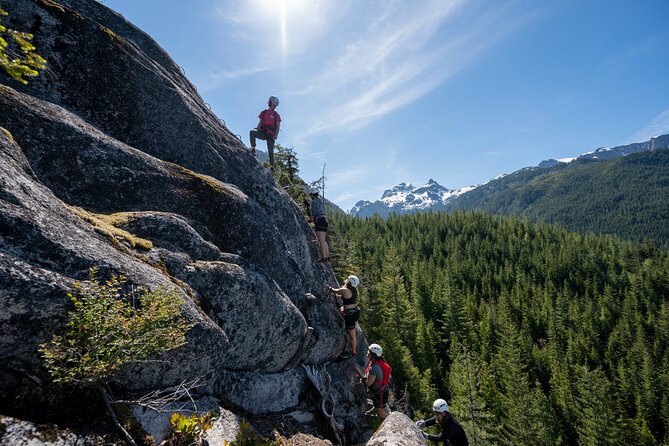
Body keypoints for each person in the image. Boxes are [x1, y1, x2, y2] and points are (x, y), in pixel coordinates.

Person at [328, 275, 360, 355]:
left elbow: (334, 291)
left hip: (350, 314)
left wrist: (328, 287)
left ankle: (354, 352)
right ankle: (353, 349)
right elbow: (345, 297)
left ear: (348, 282)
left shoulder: (344, 290)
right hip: (355, 312)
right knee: (351, 332)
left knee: (352, 334)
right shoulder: (354, 290)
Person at [249, 96, 281, 168]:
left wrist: (276, 135)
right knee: (252, 132)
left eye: (275, 105)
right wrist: (257, 129)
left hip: (271, 135)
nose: (274, 106)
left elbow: (278, 126)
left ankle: (272, 167)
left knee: (270, 151)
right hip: (263, 132)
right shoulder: (263, 113)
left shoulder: (276, 115)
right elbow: (260, 122)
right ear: (270, 103)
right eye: (273, 104)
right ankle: (253, 149)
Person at [362, 343, 391, 420]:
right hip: (381, 391)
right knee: (379, 407)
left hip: (379, 394)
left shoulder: (374, 367)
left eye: (369, 351)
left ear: (373, 354)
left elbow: (368, 383)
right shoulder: (376, 363)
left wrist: (363, 378)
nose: (367, 352)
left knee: (380, 410)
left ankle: (389, 421)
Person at [308, 186, 329, 261]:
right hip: (324, 220)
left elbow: (313, 214)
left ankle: (323, 258)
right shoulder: (320, 200)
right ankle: (327, 256)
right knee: (324, 240)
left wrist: (310, 220)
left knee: (321, 241)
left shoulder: (314, 202)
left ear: (312, 194)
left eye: (310, 194)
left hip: (319, 221)